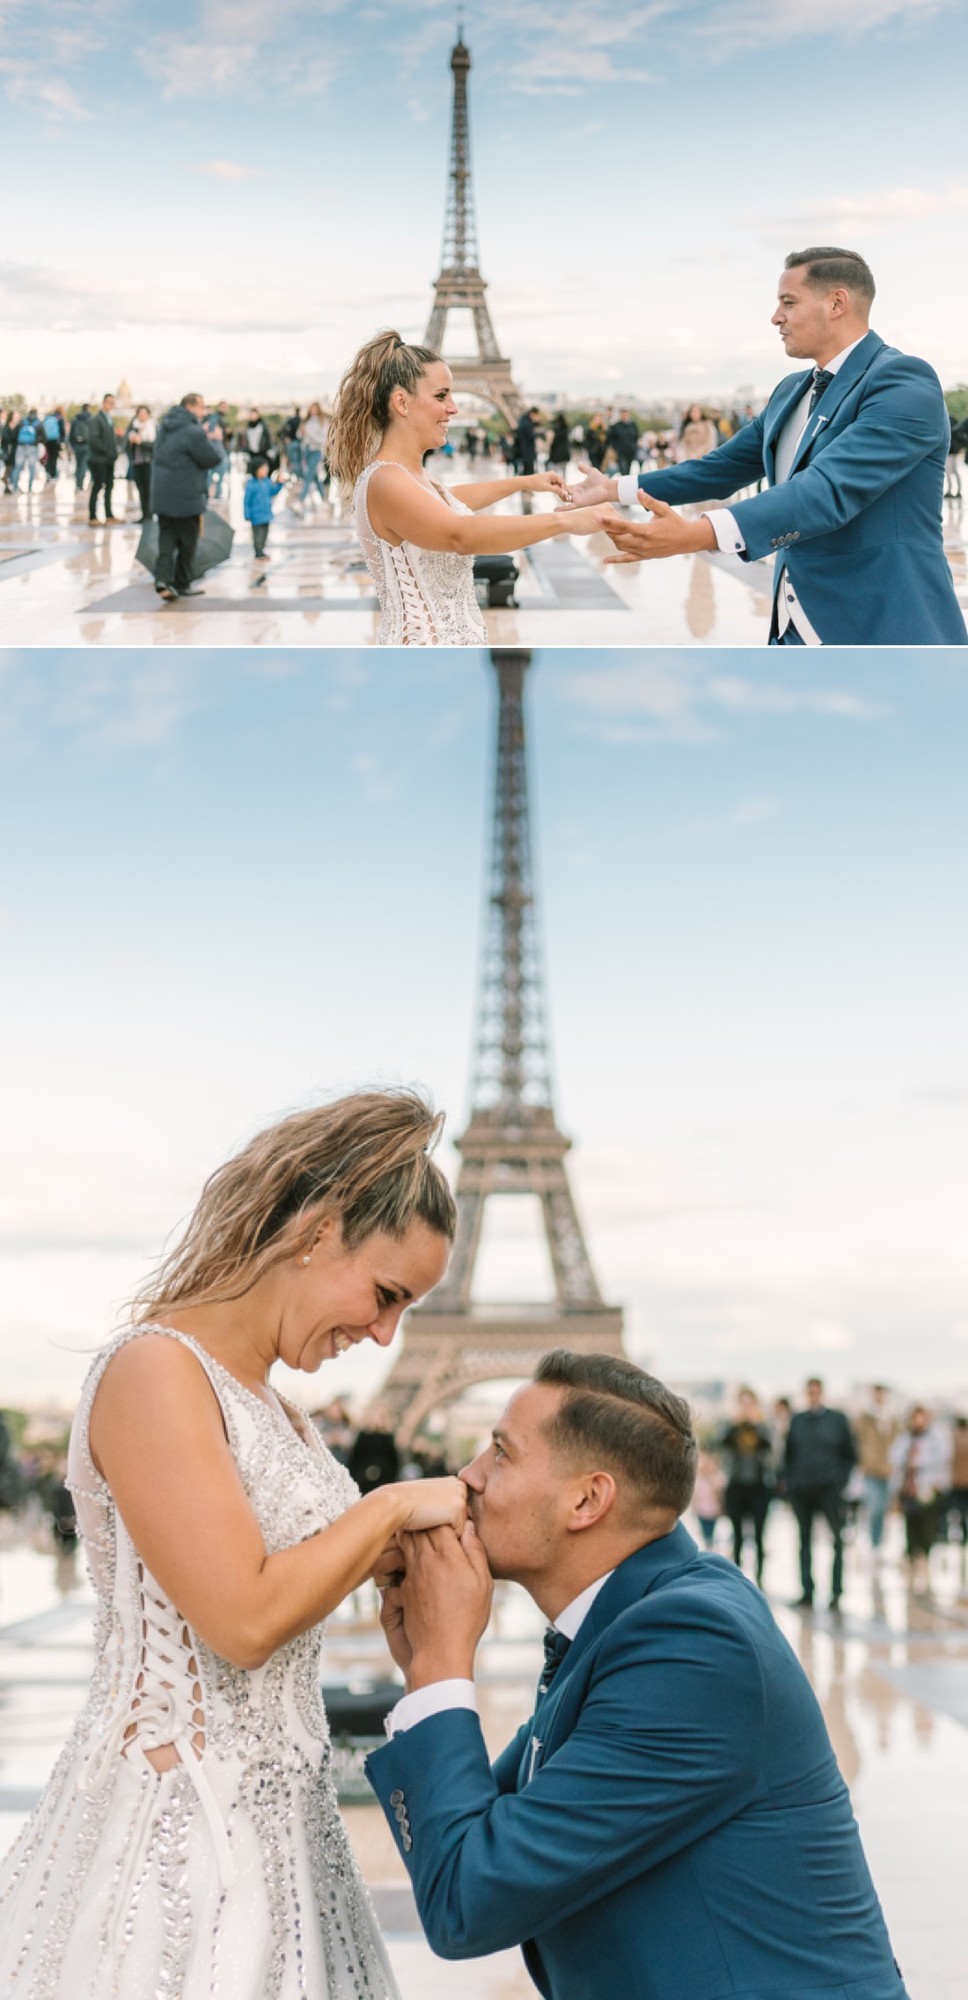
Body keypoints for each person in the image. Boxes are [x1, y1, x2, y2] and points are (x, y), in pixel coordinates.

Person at [0, 1088, 468, 1997]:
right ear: (318, 1231)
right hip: (175, 1852)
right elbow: (243, 1619)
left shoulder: (275, 1407)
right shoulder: (154, 1370)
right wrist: (386, 1510)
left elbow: (294, 1577)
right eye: (385, 1295)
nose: (384, 1333)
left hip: (288, 1842)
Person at [367, 1351, 909, 2000]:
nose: (468, 1476)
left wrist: (439, 1670)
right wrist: (422, 1663)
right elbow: (475, 1838)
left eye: (500, 1454)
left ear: (588, 1499)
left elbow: (468, 1897)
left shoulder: (694, 1647)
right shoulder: (639, 1614)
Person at [563, 247, 968, 646]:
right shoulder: (791, 390)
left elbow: (828, 490)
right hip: (793, 624)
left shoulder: (903, 382)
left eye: (788, 303)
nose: (776, 317)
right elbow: (718, 468)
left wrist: (697, 535)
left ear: (837, 303)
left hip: (886, 627)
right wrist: (614, 489)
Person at [327, 331, 611, 645]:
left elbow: (445, 503)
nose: (454, 408)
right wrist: (567, 521)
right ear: (401, 402)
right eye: (441, 396)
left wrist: (524, 482)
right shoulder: (387, 480)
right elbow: (458, 533)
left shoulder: (406, 475)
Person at [783, 1377, 857, 1609]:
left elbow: (851, 1454)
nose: (813, 1395)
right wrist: (791, 1482)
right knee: (804, 1540)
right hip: (803, 1489)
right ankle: (807, 1590)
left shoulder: (837, 1420)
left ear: (822, 1393)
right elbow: (788, 1455)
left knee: (837, 1540)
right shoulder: (797, 1420)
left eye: (816, 1391)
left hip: (829, 1489)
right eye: (810, 1392)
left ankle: (836, 1592)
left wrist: (839, 1481)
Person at [150, 392, 225, 602]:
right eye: (202, 407)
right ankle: (182, 583)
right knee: (188, 541)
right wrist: (214, 439)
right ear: (192, 406)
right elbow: (212, 459)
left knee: (166, 539)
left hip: (162, 494)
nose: (204, 412)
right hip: (186, 495)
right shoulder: (193, 432)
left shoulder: (164, 427)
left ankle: (162, 580)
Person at [888, 1405, 951, 1589]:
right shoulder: (905, 1438)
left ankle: (924, 1555)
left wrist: (919, 1463)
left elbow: (942, 1458)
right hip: (909, 1487)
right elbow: (894, 1456)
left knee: (928, 1522)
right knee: (910, 1521)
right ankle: (912, 1554)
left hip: (928, 1486)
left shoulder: (936, 1438)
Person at [717, 1386, 774, 1585]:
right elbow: (720, 1443)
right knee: (737, 1535)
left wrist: (755, 1424)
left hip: (759, 1486)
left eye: (750, 1403)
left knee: (759, 1535)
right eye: (743, 1403)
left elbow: (772, 1449)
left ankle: (760, 1577)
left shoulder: (764, 1427)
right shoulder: (731, 1427)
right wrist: (736, 1423)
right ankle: (737, 1576)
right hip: (737, 1485)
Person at [855, 1384, 900, 1559]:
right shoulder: (865, 1419)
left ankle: (880, 1543)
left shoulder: (892, 1419)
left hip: (888, 1471)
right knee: (874, 1507)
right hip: (871, 1470)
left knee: (885, 1509)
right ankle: (874, 1544)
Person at [87, 393, 120, 523]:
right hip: (99, 459)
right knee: (98, 486)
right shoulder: (97, 419)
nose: (111, 405)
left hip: (108, 459)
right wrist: (107, 452)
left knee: (109, 486)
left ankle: (109, 514)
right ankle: (93, 516)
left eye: (113, 403)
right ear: (103, 402)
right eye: (109, 402)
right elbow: (94, 440)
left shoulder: (108, 419)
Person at [243, 455, 284, 558]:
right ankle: (258, 552)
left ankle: (261, 550)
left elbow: (273, 491)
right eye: (263, 468)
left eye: (266, 468)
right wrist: (247, 514)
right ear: (256, 470)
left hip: (266, 514)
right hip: (256, 516)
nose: (266, 470)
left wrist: (279, 484)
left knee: (265, 535)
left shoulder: (267, 481)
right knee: (258, 536)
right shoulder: (251, 484)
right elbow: (246, 501)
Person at [124, 404, 157, 522]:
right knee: (140, 488)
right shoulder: (133, 427)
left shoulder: (153, 427)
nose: (142, 416)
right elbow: (126, 445)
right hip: (136, 462)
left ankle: (150, 514)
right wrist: (131, 441)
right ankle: (144, 514)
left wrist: (141, 442)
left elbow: (155, 446)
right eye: (140, 414)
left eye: (144, 414)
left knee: (149, 489)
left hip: (149, 462)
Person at [13, 408, 43, 491]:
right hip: (33, 447)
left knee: (18, 467)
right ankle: (30, 488)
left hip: (21, 446)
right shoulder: (38, 423)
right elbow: (44, 437)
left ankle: (15, 487)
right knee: (32, 467)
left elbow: (14, 434)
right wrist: (37, 441)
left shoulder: (22, 422)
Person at [69, 403, 92, 492]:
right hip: (86, 445)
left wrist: (72, 444)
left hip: (77, 445)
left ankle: (77, 483)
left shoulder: (76, 419)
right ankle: (80, 484)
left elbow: (71, 434)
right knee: (83, 465)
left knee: (78, 465)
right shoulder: (91, 419)